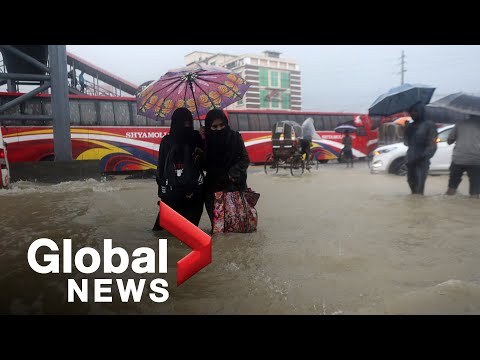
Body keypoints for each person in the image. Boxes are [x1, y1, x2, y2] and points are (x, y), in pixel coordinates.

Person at [153, 107, 205, 230]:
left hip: (175, 194)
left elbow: (161, 170)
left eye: (188, 123)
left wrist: (162, 194)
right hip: (194, 193)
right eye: (185, 122)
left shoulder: (167, 140)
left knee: (166, 233)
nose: (186, 126)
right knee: (189, 232)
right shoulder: (196, 138)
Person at [203, 109, 250, 229]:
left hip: (234, 188)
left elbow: (245, 159)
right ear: (209, 126)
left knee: (236, 227)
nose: (219, 129)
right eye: (214, 126)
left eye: (222, 125)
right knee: (218, 228)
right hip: (213, 190)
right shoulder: (205, 141)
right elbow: (203, 166)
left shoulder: (235, 137)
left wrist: (231, 174)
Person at [403, 101, 438, 195]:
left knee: (419, 188)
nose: (412, 113)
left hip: (421, 162)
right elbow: (406, 143)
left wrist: (422, 156)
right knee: (412, 186)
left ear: (421, 111)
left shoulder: (429, 125)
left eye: (415, 111)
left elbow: (432, 145)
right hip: (410, 160)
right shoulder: (410, 126)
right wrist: (406, 130)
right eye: (411, 111)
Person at [445, 115, 480, 198]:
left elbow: (449, 141)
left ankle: (448, 206)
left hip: (458, 159)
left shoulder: (460, 124)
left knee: (452, 187)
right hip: (476, 160)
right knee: (475, 192)